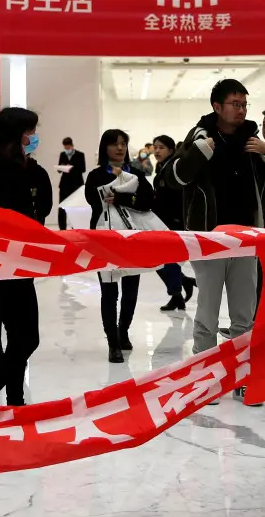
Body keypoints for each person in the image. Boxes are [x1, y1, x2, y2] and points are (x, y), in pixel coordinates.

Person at [161, 79, 265, 405]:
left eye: (244, 104)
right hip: (209, 239)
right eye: (234, 103)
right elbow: (174, 178)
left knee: (244, 314)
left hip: (246, 238)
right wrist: (198, 154)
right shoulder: (200, 137)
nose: (241, 109)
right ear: (217, 107)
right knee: (207, 314)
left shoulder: (252, 140)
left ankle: (243, 378)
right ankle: (205, 380)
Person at [0, 107, 49, 406]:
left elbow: (39, 210)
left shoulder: (28, 169)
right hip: (4, 262)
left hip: (22, 260)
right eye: (29, 131)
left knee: (20, 335)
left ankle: (15, 399)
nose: (33, 137)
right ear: (16, 133)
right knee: (27, 337)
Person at [86, 129, 155, 362]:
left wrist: (122, 197)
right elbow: (94, 202)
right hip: (105, 239)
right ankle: (112, 343)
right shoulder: (95, 176)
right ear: (104, 147)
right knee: (109, 291)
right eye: (114, 144)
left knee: (131, 290)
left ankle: (123, 330)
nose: (120, 148)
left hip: (132, 238)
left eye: (123, 144)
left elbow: (148, 200)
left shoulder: (136, 173)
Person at [150, 135, 196, 312]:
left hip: (174, 221)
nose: (157, 151)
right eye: (155, 147)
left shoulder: (174, 167)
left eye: (161, 147)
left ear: (170, 150)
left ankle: (177, 293)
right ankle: (181, 286)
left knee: (167, 260)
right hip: (161, 221)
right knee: (161, 260)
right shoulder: (161, 167)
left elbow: (178, 196)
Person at [57, 137, 86, 229]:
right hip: (64, 185)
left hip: (76, 184)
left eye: (68, 147)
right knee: (62, 207)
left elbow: (83, 168)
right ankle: (62, 229)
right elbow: (59, 169)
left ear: (72, 145)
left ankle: (76, 227)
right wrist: (62, 167)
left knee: (76, 208)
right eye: (65, 147)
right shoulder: (62, 154)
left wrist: (71, 167)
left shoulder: (80, 155)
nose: (66, 149)